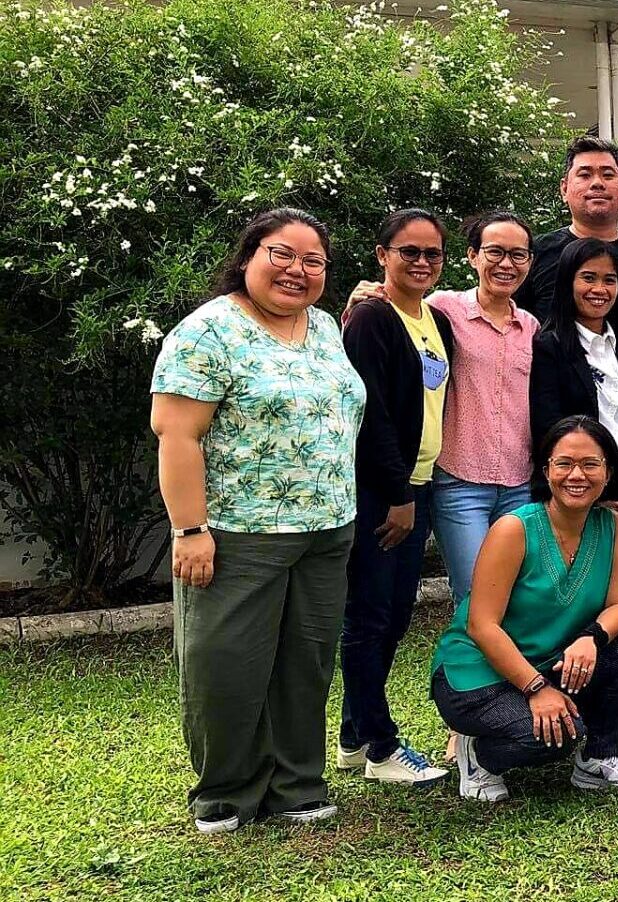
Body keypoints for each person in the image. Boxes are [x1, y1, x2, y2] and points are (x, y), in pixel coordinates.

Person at [151, 208, 364, 833]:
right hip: (240, 533)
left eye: (314, 260)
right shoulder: (208, 331)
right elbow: (177, 435)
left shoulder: (325, 327)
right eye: (282, 255)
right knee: (227, 665)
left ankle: (298, 782)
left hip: (328, 528)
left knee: (307, 662)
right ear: (248, 258)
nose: (298, 271)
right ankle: (227, 790)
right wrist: (189, 529)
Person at [431, 417, 618, 801]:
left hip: (552, 660)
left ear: (608, 472)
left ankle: (600, 757)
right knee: (552, 739)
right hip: (478, 675)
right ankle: (477, 755)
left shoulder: (612, 524)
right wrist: (536, 689)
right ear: (546, 470)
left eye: (591, 464)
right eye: (564, 463)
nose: (577, 475)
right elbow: (482, 625)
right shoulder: (514, 529)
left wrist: (592, 637)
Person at [350, 212, 542, 608]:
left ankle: (514, 672)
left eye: (518, 255)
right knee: (474, 594)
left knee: (519, 595)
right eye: (495, 252)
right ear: (472, 256)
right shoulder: (443, 309)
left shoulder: (531, 327)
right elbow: (387, 327)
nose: (506, 264)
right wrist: (358, 300)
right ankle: (465, 671)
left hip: (519, 481)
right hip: (460, 482)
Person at [337, 208, 455, 787]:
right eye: (409, 251)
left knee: (391, 615)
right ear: (382, 254)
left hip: (423, 484)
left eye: (432, 253)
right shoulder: (372, 320)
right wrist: (397, 492)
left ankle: (353, 736)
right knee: (371, 615)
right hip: (387, 490)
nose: (421, 262)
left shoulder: (434, 319)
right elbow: (372, 411)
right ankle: (381, 746)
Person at [530, 238, 618, 602]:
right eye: (588, 278)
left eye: (610, 279)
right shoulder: (550, 345)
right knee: (579, 591)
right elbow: (547, 425)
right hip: (578, 486)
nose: (600, 290)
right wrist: (593, 489)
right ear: (568, 282)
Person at [516, 136, 618, 335]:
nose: (597, 183)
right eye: (585, 175)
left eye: (608, 175)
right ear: (564, 189)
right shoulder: (535, 253)